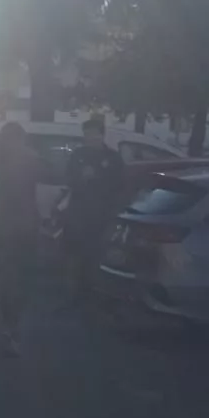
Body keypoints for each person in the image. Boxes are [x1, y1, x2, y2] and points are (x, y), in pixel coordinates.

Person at [62, 114, 125, 307]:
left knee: (97, 256)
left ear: (102, 135)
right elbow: (68, 180)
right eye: (86, 134)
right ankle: (73, 297)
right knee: (75, 256)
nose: (89, 138)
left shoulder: (113, 158)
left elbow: (119, 187)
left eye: (93, 134)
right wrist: (82, 178)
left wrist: (114, 215)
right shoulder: (77, 155)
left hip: (102, 216)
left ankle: (96, 298)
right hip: (78, 215)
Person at [0, 121, 39, 355]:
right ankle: (15, 326)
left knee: (7, 276)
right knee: (23, 276)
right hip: (26, 224)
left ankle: (9, 324)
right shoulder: (30, 157)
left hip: (4, 225)